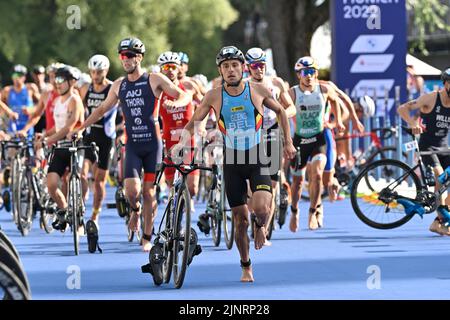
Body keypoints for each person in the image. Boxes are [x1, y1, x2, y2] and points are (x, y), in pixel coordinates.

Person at [171, 46, 296, 282]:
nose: (231, 70)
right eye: (226, 66)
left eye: (235, 65)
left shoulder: (257, 89)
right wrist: (181, 143)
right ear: (220, 70)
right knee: (240, 220)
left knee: (260, 209)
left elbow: (281, 111)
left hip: (258, 156)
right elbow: (194, 121)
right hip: (232, 160)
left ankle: (261, 226)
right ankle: (246, 265)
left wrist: (287, 142)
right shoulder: (214, 95)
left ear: (243, 67)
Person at [70, 37, 191, 252]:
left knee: (149, 193)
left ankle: (146, 236)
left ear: (140, 58)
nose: (127, 59)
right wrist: (80, 128)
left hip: (153, 144)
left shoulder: (154, 79)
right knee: (132, 192)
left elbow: (182, 95)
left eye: (131, 55)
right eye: (123, 55)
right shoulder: (119, 85)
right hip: (132, 145)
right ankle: (134, 211)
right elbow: (101, 110)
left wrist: (175, 102)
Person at [244, 47, 296, 242]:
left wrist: (279, 113)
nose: (259, 70)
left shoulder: (276, 83)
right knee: (252, 185)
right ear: (248, 67)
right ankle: (255, 214)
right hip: (251, 136)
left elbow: (290, 108)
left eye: (262, 66)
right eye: (255, 66)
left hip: (273, 134)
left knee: (272, 185)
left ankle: (264, 228)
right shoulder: (243, 85)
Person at [288, 56, 345, 232]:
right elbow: (283, 112)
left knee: (318, 175)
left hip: (318, 138)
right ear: (299, 75)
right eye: (305, 72)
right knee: (297, 183)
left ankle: (313, 211)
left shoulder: (325, 89)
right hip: (300, 140)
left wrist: (338, 122)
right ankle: (295, 210)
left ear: (316, 73)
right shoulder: (292, 93)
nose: (309, 76)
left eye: (312, 72)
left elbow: (337, 102)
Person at [398, 67, 450, 236]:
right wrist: (413, 124)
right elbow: (402, 109)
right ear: (446, 84)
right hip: (428, 148)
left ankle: (439, 221)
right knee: (440, 176)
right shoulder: (431, 98)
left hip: (444, 148)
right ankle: (441, 220)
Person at [35, 66, 85, 232]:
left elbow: (68, 127)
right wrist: (44, 135)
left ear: (71, 82)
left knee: (74, 177)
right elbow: (58, 127)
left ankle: (80, 213)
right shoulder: (57, 101)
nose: (57, 84)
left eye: (60, 80)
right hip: (60, 147)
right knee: (51, 183)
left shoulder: (74, 100)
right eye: (55, 80)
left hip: (74, 146)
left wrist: (49, 140)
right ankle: (64, 209)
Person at [77, 54, 116, 252]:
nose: (95, 75)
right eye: (92, 72)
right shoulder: (86, 88)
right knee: (82, 173)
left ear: (106, 71)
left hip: (106, 138)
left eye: (99, 72)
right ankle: (80, 205)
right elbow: (81, 110)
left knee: (99, 180)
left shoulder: (113, 89)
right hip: (90, 136)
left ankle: (95, 213)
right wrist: (80, 127)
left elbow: (123, 113)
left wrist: (122, 132)